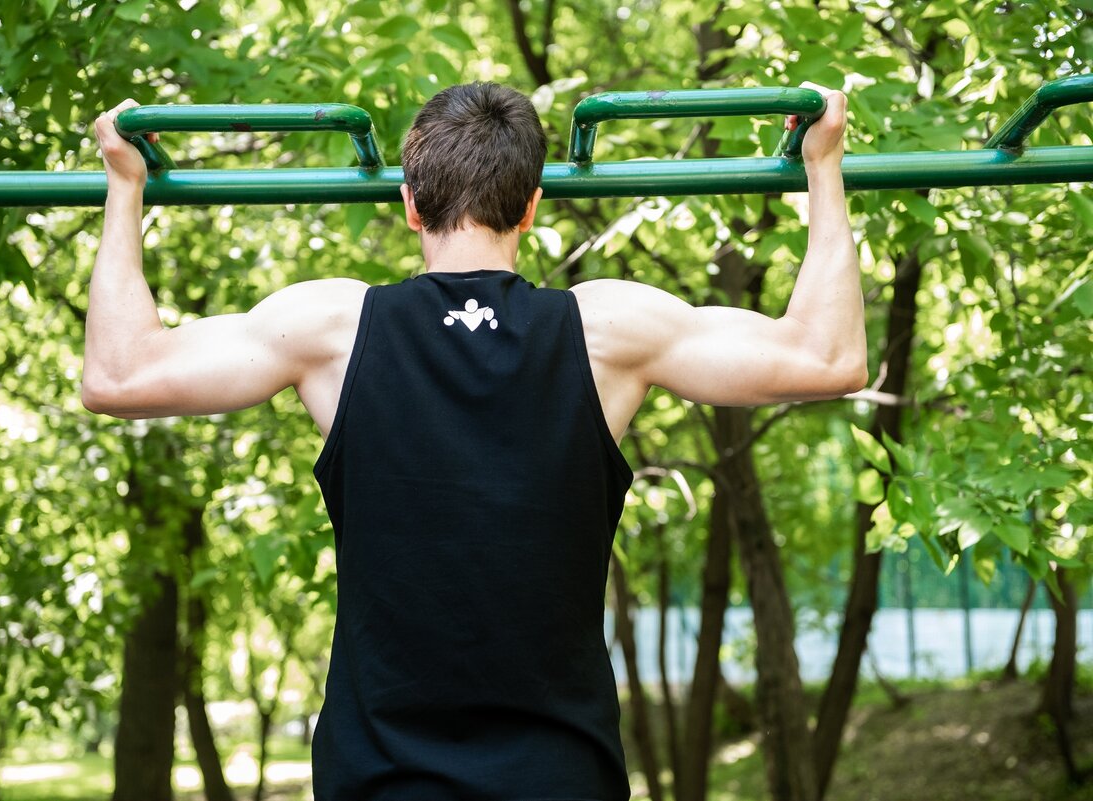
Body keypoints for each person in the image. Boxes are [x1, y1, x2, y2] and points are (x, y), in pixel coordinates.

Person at [84, 81, 865, 800]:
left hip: (380, 779)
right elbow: (829, 357)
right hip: (561, 777)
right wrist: (823, 166)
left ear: (409, 206)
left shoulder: (332, 330)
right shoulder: (607, 330)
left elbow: (119, 377)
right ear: (530, 207)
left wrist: (126, 186)